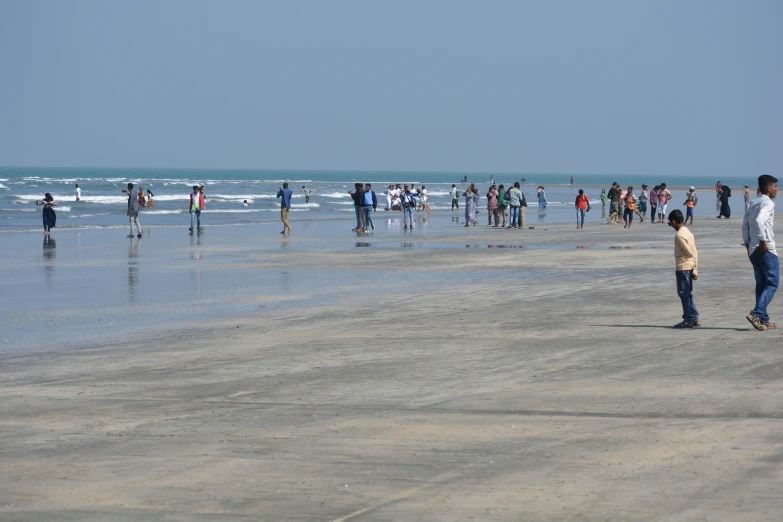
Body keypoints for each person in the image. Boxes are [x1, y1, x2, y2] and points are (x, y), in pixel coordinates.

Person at [742, 174, 778, 331]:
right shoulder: (768, 203)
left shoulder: (752, 202)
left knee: (761, 283)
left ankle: (763, 319)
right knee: (772, 283)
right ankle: (756, 313)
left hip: (753, 249)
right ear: (768, 188)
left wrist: (748, 243)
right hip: (766, 248)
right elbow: (758, 221)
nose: (777, 189)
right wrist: (763, 240)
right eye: (775, 186)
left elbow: (745, 225)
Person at [668, 209, 700, 328]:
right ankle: (695, 317)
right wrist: (695, 269)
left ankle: (688, 319)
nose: (672, 226)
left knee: (683, 293)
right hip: (690, 266)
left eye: (671, 224)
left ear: (674, 222)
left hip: (683, 266)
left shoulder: (679, 235)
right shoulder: (688, 232)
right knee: (688, 293)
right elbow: (695, 252)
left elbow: (690, 252)